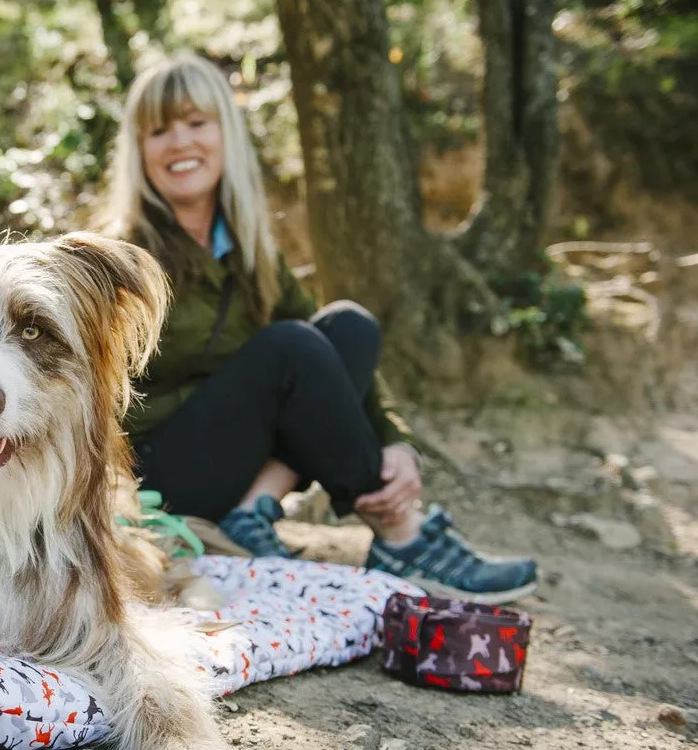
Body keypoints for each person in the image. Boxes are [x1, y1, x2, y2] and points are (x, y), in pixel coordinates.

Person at [99, 53, 537, 604]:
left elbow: (330, 352)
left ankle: (253, 508)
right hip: (156, 477)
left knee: (348, 327)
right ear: (139, 152)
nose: (180, 143)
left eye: (196, 123)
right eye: (159, 130)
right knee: (291, 347)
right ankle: (402, 532)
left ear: (225, 134)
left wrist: (395, 440)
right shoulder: (118, 259)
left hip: (237, 462)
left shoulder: (248, 246)